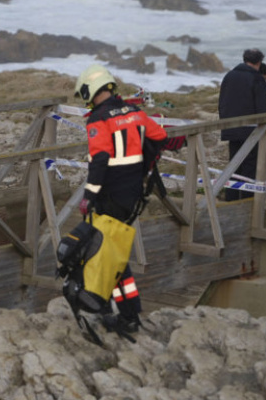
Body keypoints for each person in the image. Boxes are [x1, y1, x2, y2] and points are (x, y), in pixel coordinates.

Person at [74, 64, 167, 334]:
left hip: (109, 195)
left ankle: (124, 315)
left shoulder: (98, 120)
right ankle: (124, 310)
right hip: (134, 195)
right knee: (115, 252)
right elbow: (159, 136)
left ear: (89, 90)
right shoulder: (134, 112)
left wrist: (89, 195)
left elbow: (100, 159)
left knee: (107, 252)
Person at [218, 49, 266, 200]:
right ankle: (248, 202)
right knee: (250, 168)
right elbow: (263, 109)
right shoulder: (256, 78)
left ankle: (231, 200)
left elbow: (222, 102)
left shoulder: (229, 76)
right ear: (259, 62)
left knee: (234, 167)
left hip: (231, 128)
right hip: (251, 132)